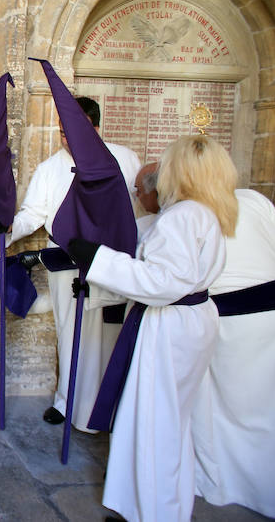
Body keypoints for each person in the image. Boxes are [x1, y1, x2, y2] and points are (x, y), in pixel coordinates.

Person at [67, 134, 238, 522]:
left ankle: (155, 512)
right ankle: (147, 506)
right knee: (167, 421)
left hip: (170, 324)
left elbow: (163, 282)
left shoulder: (182, 216)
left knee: (154, 423)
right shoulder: (204, 211)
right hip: (188, 321)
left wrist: (99, 261)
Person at [9, 96, 140, 430]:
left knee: (109, 332)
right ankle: (67, 402)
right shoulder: (50, 168)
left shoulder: (124, 159)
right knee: (70, 332)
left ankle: (109, 406)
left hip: (113, 260)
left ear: (95, 126)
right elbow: (33, 213)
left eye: (74, 129)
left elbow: (136, 212)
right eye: (63, 130)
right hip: (66, 260)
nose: (66, 136)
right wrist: (10, 228)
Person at [191, 188, 275, 518]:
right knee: (268, 407)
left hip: (233, 320)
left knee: (222, 407)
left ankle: (224, 482)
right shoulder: (252, 198)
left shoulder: (193, 209)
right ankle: (269, 490)